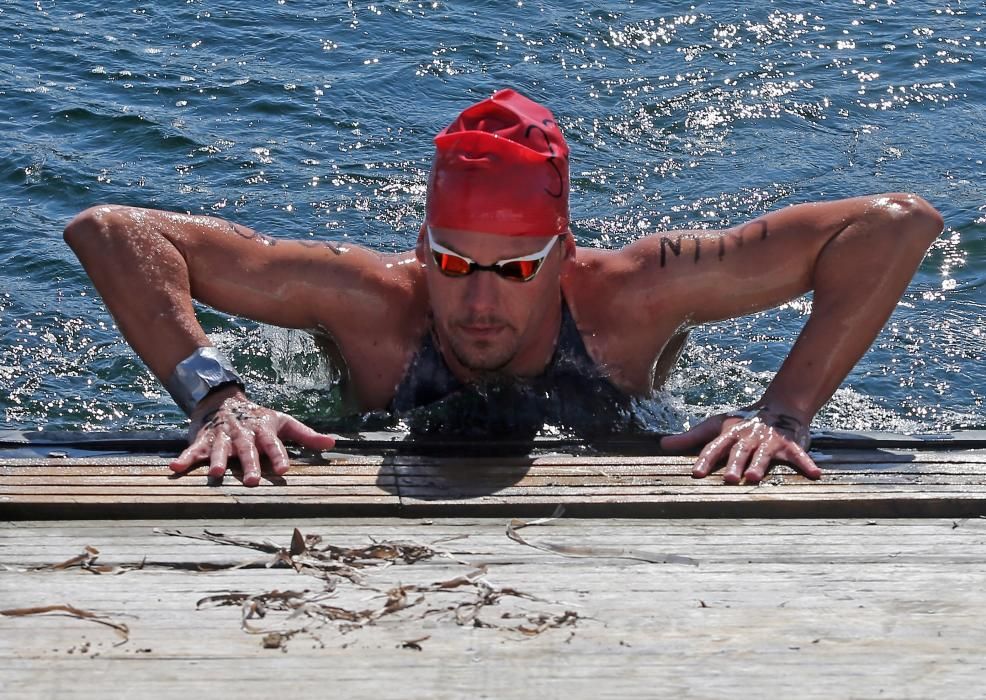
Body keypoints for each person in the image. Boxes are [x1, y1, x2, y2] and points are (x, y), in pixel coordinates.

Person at [64, 88, 944, 487]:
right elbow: (110, 230)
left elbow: (897, 226)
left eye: (517, 269)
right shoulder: (369, 300)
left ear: (565, 253)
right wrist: (214, 396)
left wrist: (780, 413)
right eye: (453, 263)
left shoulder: (632, 298)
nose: (479, 302)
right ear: (422, 246)